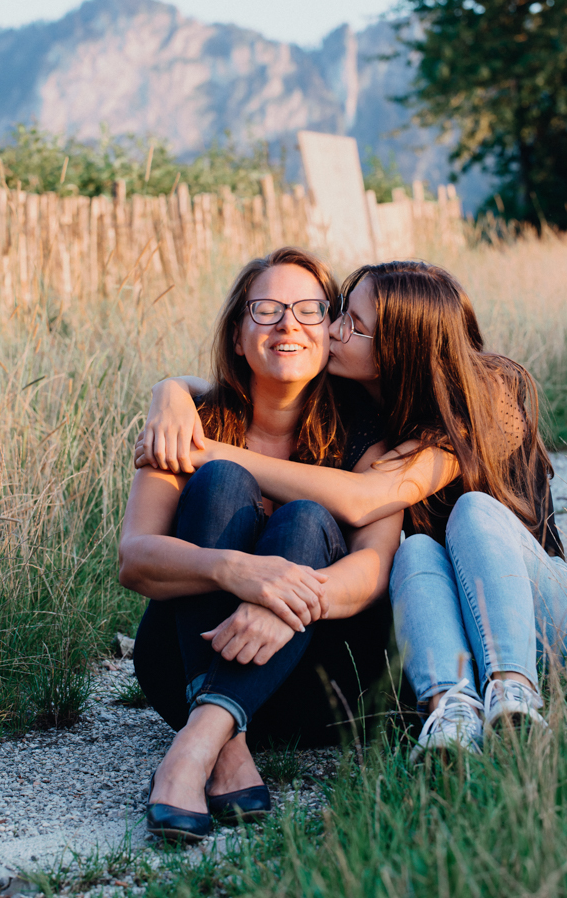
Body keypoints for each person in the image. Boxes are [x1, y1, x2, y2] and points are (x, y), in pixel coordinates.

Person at [137, 259, 567, 764]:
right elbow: (255, 376)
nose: (331, 330)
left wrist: (203, 451)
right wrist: (172, 391)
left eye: (351, 325)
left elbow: (363, 498)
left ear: (392, 351)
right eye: (338, 314)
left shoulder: (490, 401)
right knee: (418, 551)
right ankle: (451, 711)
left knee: (472, 512)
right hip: (450, 627)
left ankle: (515, 693)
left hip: (543, 624)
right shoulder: (372, 406)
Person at [119, 248, 402, 843]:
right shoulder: (189, 424)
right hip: (181, 667)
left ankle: (194, 750)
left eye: (308, 309)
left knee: (303, 519)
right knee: (220, 481)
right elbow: (135, 559)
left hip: (315, 686)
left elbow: (373, 570)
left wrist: (282, 593)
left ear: (330, 330)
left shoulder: (369, 438)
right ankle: (227, 746)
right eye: (267, 309)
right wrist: (236, 571)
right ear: (239, 335)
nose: (288, 324)